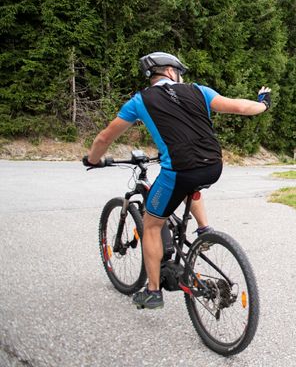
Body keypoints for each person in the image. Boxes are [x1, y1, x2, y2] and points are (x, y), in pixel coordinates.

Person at [83, 52, 271, 309]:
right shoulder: (198, 91)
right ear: (171, 72)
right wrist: (263, 103)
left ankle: (152, 291)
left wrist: (93, 160)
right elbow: (239, 107)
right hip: (213, 166)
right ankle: (205, 231)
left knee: (151, 224)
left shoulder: (139, 101)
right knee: (188, 185)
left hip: (180, 171)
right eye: (178, 72)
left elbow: (105, 138)